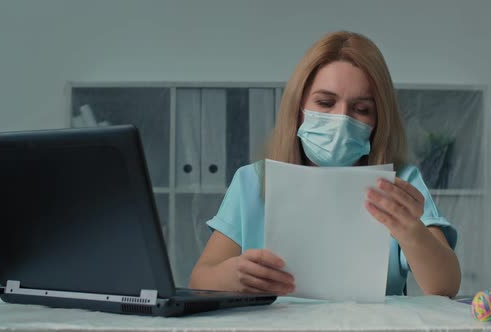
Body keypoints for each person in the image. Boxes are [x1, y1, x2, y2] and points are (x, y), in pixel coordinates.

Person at [189, 31, 461, 297]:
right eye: (325, 102)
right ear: (298, 107)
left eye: (361, 109)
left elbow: (445, 286)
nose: (341, 118)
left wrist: (411, 231)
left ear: (379, 120)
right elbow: (200, 279)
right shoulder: (253, 181)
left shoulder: (400, 181)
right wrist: (234, 276)